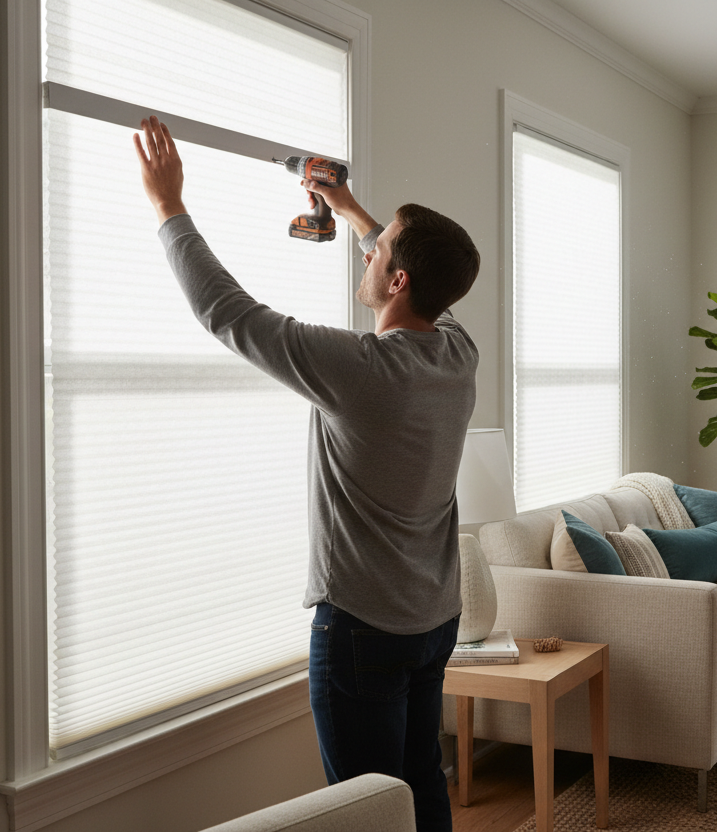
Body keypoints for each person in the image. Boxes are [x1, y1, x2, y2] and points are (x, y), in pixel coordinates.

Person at [133, 116, 479, 832]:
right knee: (421, 785)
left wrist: (169, 205)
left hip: (364, 632)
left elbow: (226, 312)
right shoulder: (457, 352)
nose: (368, 252)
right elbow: (421, 279)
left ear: (398, 279)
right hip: (433, 619)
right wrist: (350, 210)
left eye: (379, 249)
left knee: (365, 811)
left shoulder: (360, 370)